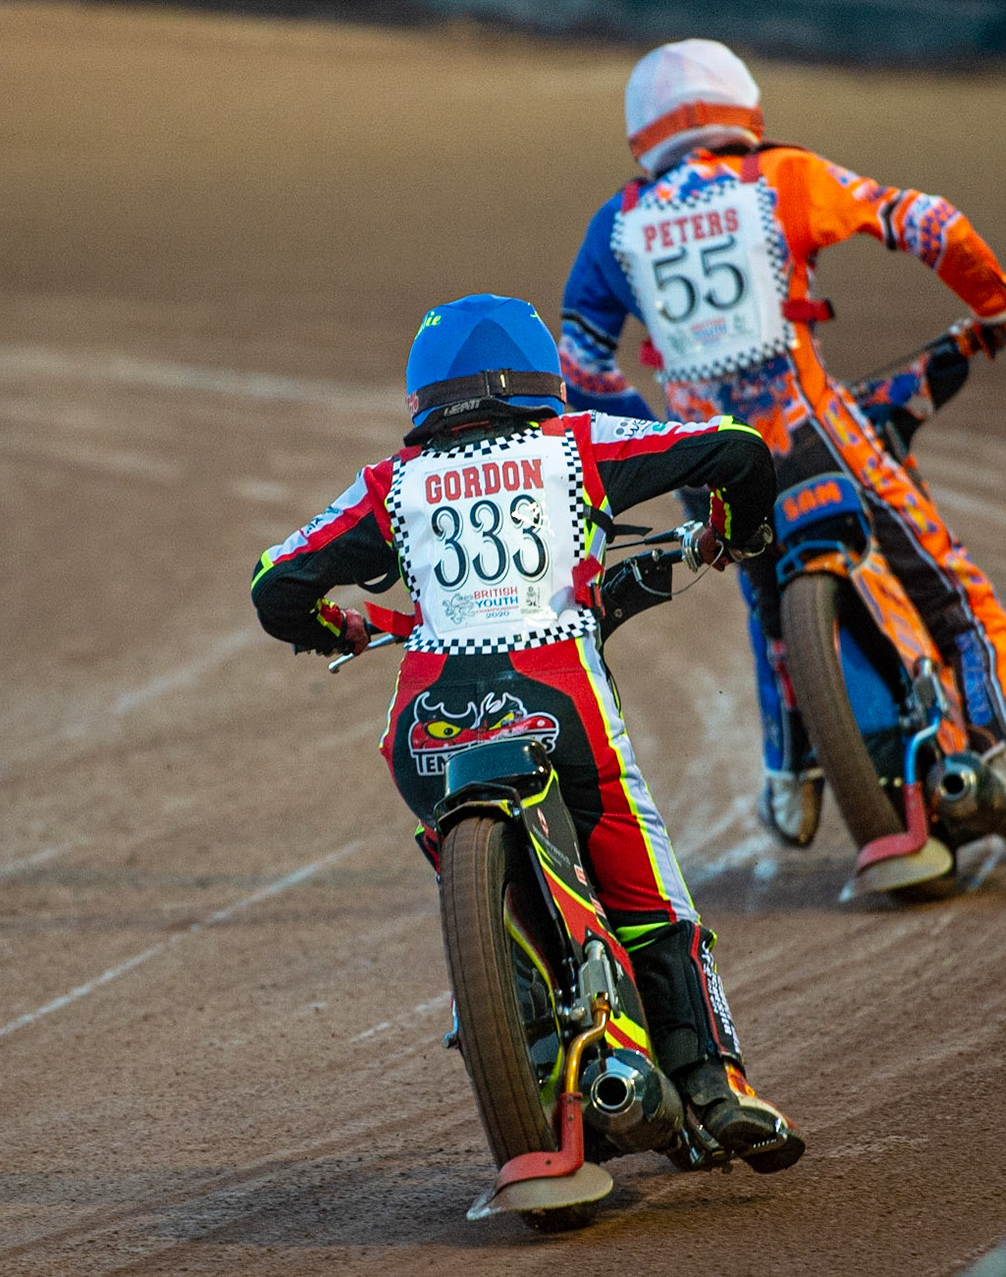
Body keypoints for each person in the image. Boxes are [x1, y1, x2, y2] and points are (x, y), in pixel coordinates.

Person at [249, 294, 801, 1173]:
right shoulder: (574, 445)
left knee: (455, 855)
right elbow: (736, 448)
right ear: (541, 376)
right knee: (649, 880)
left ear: (422, 396)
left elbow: (275, 583)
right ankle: (713, 1084)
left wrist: (337, 629)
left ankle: (516, 1008)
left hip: (426, 720)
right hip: (560, 694)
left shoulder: (389, 485)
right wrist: (740, 531)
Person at [556, 38, 1006, 854]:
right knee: (953, 587)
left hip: (705, 456)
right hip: (816, 430)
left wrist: (652, 444)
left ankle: (789, 779)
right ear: (744, 109)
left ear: (644, 133)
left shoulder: (617, 222)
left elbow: (577, 359)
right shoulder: (778, 176)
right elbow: (929, 222)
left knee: (761, 601)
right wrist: (997, 307)